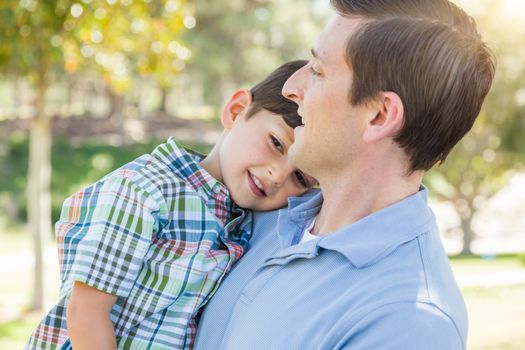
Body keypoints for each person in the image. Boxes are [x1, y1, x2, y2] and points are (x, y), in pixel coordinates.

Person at [194, 1, 495, 349]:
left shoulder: (408, 323)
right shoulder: (259, 212)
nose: (291, 87)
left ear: (380, 116)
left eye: (318, 71)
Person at [26, 60, 316, 350]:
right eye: (277, 143)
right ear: (236, 111)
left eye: (300, 176)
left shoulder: (240, 221)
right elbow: (86, 312)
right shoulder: (147, 191)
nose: (278, 175)